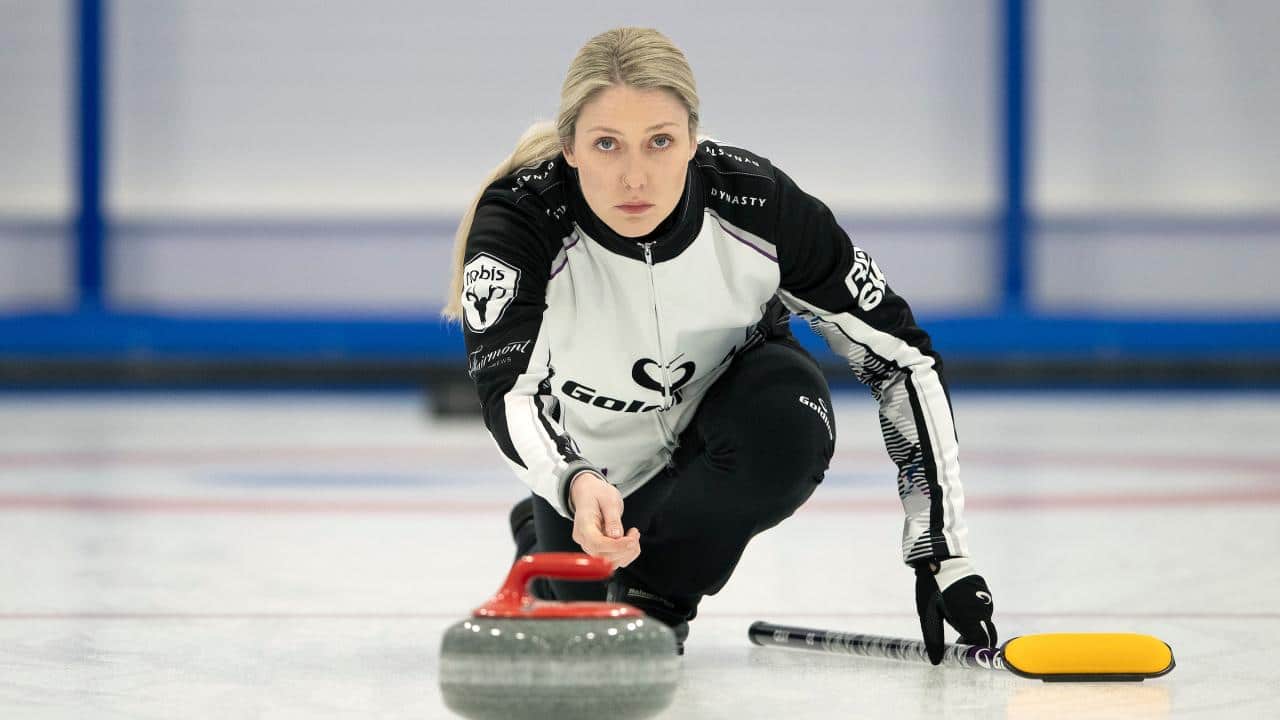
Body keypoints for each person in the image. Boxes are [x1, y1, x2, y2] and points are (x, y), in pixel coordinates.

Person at [444, 27, 996, 658]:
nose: (634, 176)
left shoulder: (758, 205)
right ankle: (543, 539)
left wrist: (943, 553)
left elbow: (903, 359)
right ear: (569, 148)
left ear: (693, 141)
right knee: (576, 603)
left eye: (659, 142)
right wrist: (570, 479)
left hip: (727, 432)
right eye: (606, 144)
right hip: (596, 475)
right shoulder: (519, 222)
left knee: (789, 417)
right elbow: (508, 393)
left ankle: (657, 600)